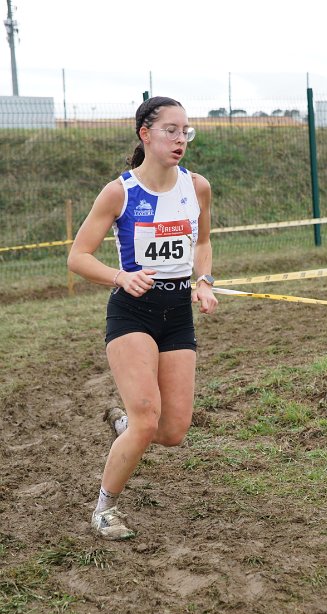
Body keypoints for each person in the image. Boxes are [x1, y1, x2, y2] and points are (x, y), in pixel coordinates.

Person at [67, 96, 218, 540]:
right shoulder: (120, 192)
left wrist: (205, 281)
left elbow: (202, 243)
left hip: (178, 314)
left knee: (171, 432)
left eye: (185, 131)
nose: (180, 139)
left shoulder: (197, 187)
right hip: (132, 312)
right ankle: (104, 509)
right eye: (171, 130)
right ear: (145, 134)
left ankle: (125, 427)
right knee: (148, 419)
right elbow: (78, 257)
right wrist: (120, 276)